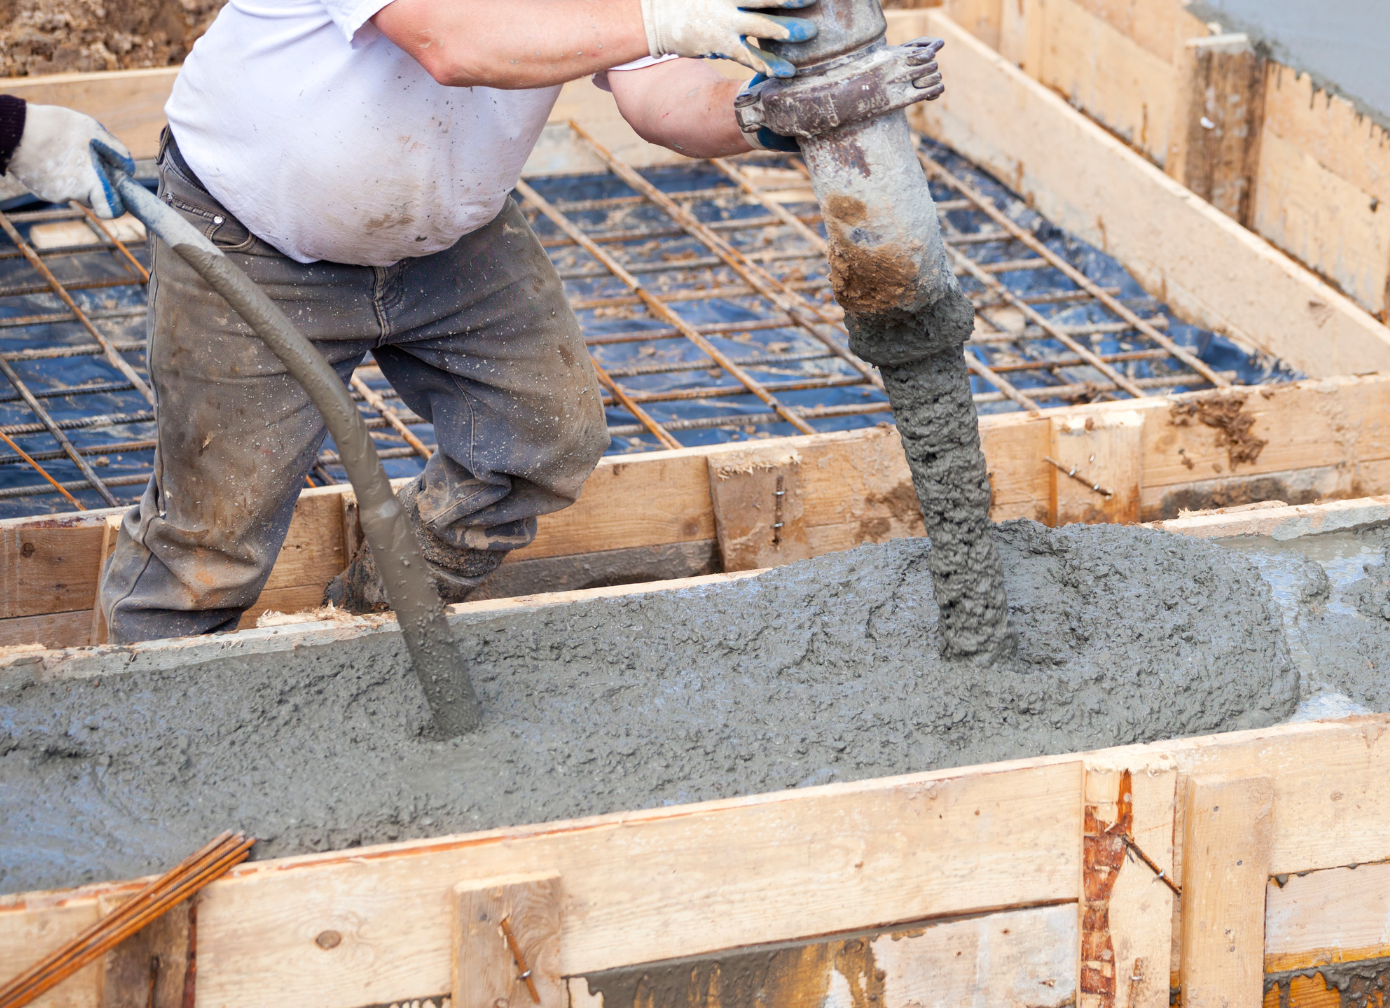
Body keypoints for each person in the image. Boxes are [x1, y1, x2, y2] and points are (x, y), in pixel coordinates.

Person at [0, 0, 819, 643]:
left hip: (447, 238)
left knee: (543, 437)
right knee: (210, 546)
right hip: (250, 237)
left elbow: (656, 94)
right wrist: (661, 14)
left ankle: (371, 629)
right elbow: (446, 37)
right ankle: (149, 721)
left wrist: (761, 110)